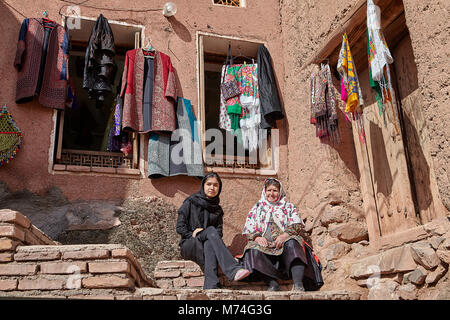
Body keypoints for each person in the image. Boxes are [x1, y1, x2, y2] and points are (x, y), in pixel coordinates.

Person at [176, 172, 250, 289]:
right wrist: (193, 234)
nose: (212, 188)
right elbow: (180, 226)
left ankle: (211, 285)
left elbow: (219, 233)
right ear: (203, 185)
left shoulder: (217, 209)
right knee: (210, 231)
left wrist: (206, 233)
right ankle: (233, 269)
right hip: (190, 244)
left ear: (219, 188)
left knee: (210, 242)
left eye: (215, 185)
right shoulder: (191, 201)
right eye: (209, 184)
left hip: (207, 244)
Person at [241, 178, 308, 291]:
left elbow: (296, 225)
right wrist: (257, 237)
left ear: (280, 192)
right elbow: (250, 228)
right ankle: (272, 284)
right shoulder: (257, 208)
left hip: (284, 244)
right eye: (269, 190)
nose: (271, 194)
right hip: (265, 246)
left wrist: (285, 236)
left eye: (275, 190)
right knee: (251, 248)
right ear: (264, 191)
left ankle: (298, 284)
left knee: (293, 242)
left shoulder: (288, 207)